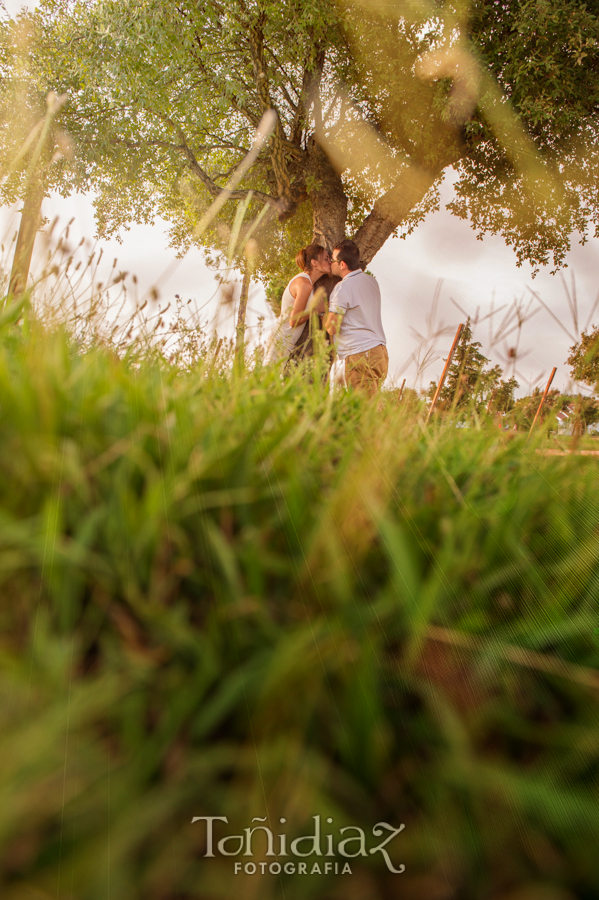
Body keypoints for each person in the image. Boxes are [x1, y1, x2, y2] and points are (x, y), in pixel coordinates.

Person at [324, 239, 388, 396]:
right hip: (379, 352)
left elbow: (332, 327)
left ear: (342, 264)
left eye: (332, 260)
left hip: (360, 354)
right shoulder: (371, 281)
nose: (330, 263)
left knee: (363, 407)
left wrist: (323, 311)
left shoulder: (343, 287)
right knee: (372, 404)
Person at [264, 244, 331, 364]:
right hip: (280, 343)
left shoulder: (306, 282)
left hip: (285, 343)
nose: (330, 261)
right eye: (326, 258)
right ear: (314, 263)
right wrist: (316, 309)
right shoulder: (304, 284)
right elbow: (294, 321)